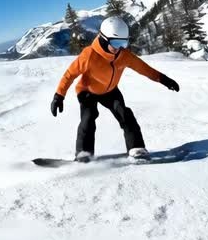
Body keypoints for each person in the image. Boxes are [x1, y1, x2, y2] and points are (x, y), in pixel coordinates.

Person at [51, 16, 180, 162]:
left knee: (125, 114)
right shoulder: (89, 55)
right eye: (116, 43)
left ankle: (136, 148)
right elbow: (70, 74)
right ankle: (83, 154)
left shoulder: (124, 55)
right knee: (88, 118)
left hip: (110, 91)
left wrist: (163, 79)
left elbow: (144, 69)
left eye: (123, 43)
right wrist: (59, 96)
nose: (119, 47)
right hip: (87, 91)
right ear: (104, 39)